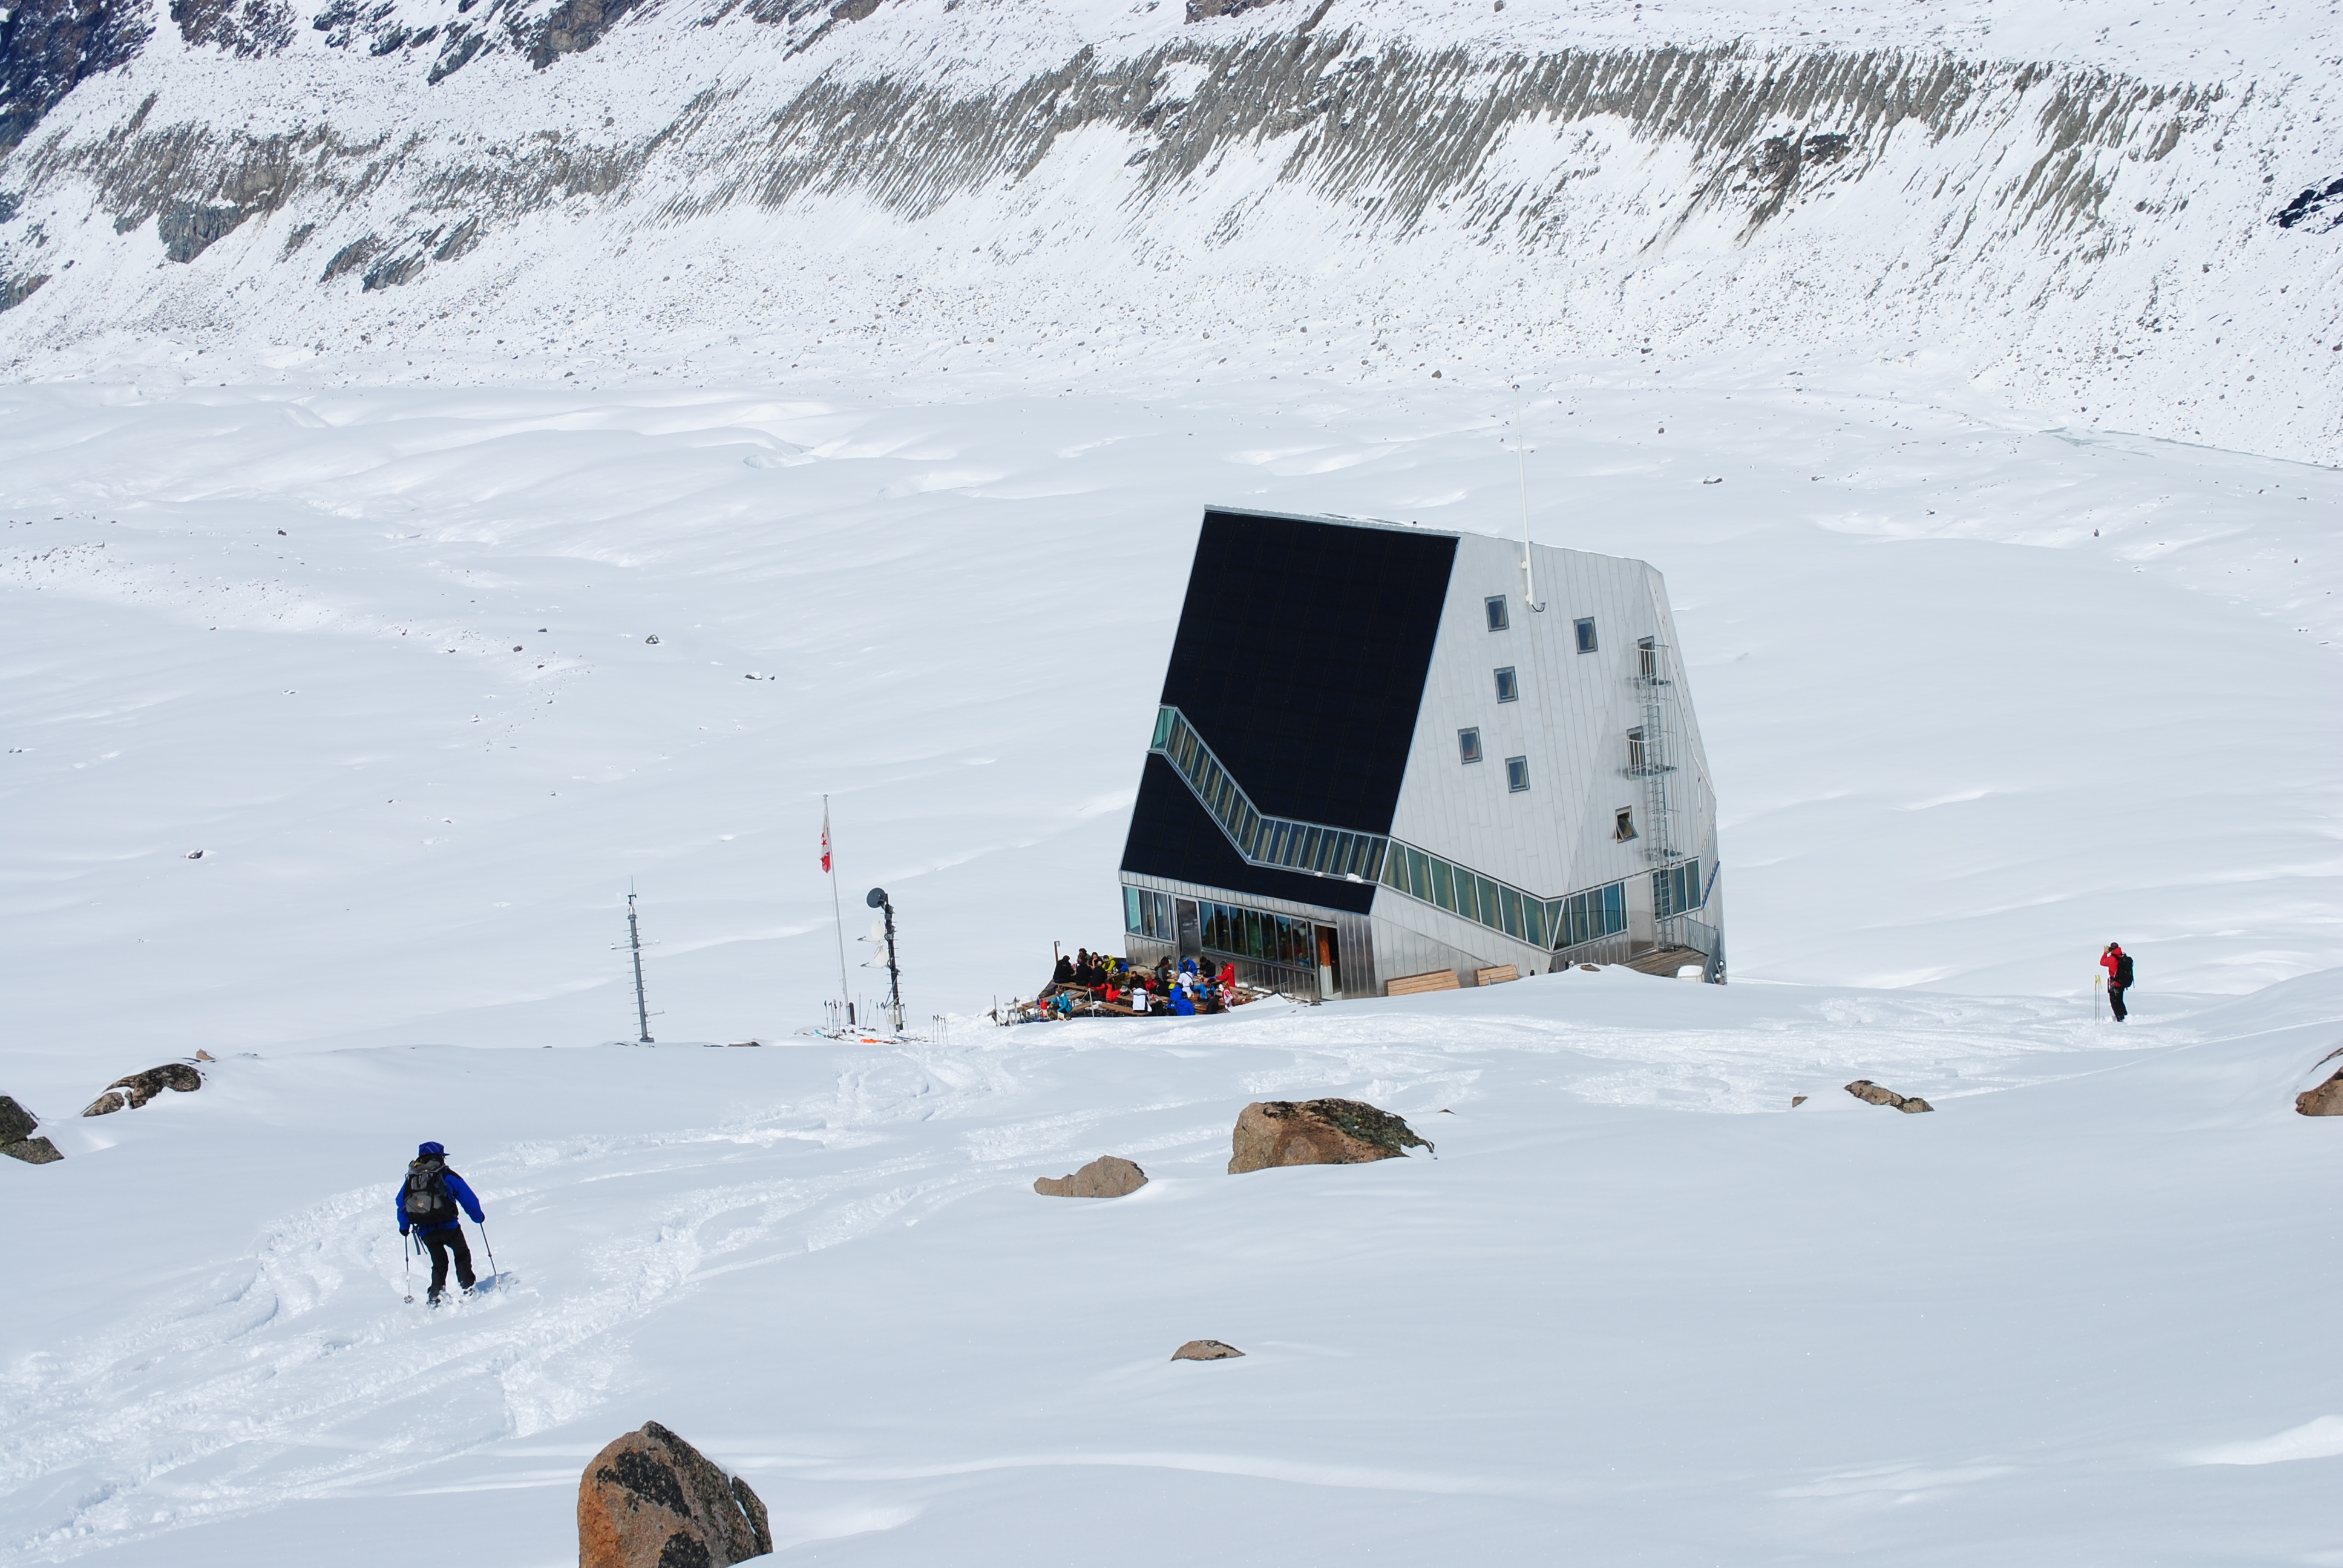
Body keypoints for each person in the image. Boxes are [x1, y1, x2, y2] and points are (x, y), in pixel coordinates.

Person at [397, 1140, 485, 1305]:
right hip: (449, 1227)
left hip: (426, 1231)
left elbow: (401, 1203)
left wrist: (404, 1228)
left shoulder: (412, 1177)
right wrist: (478, 1217)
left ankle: (436, 1295)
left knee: (439, 1263)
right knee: (462, 1254)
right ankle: (467, 1288)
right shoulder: (446, 1174)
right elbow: (468, 1198)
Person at [2100, 942, 2135, 1021]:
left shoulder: (2112, 958)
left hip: (2115, 983)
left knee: (2115, 1002)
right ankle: (2125, 1016)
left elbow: (2102, 962)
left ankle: (2121, 1019)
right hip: (2123, 983)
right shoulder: (2123, 956)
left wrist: (2105, 953)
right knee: (2120, 1000)